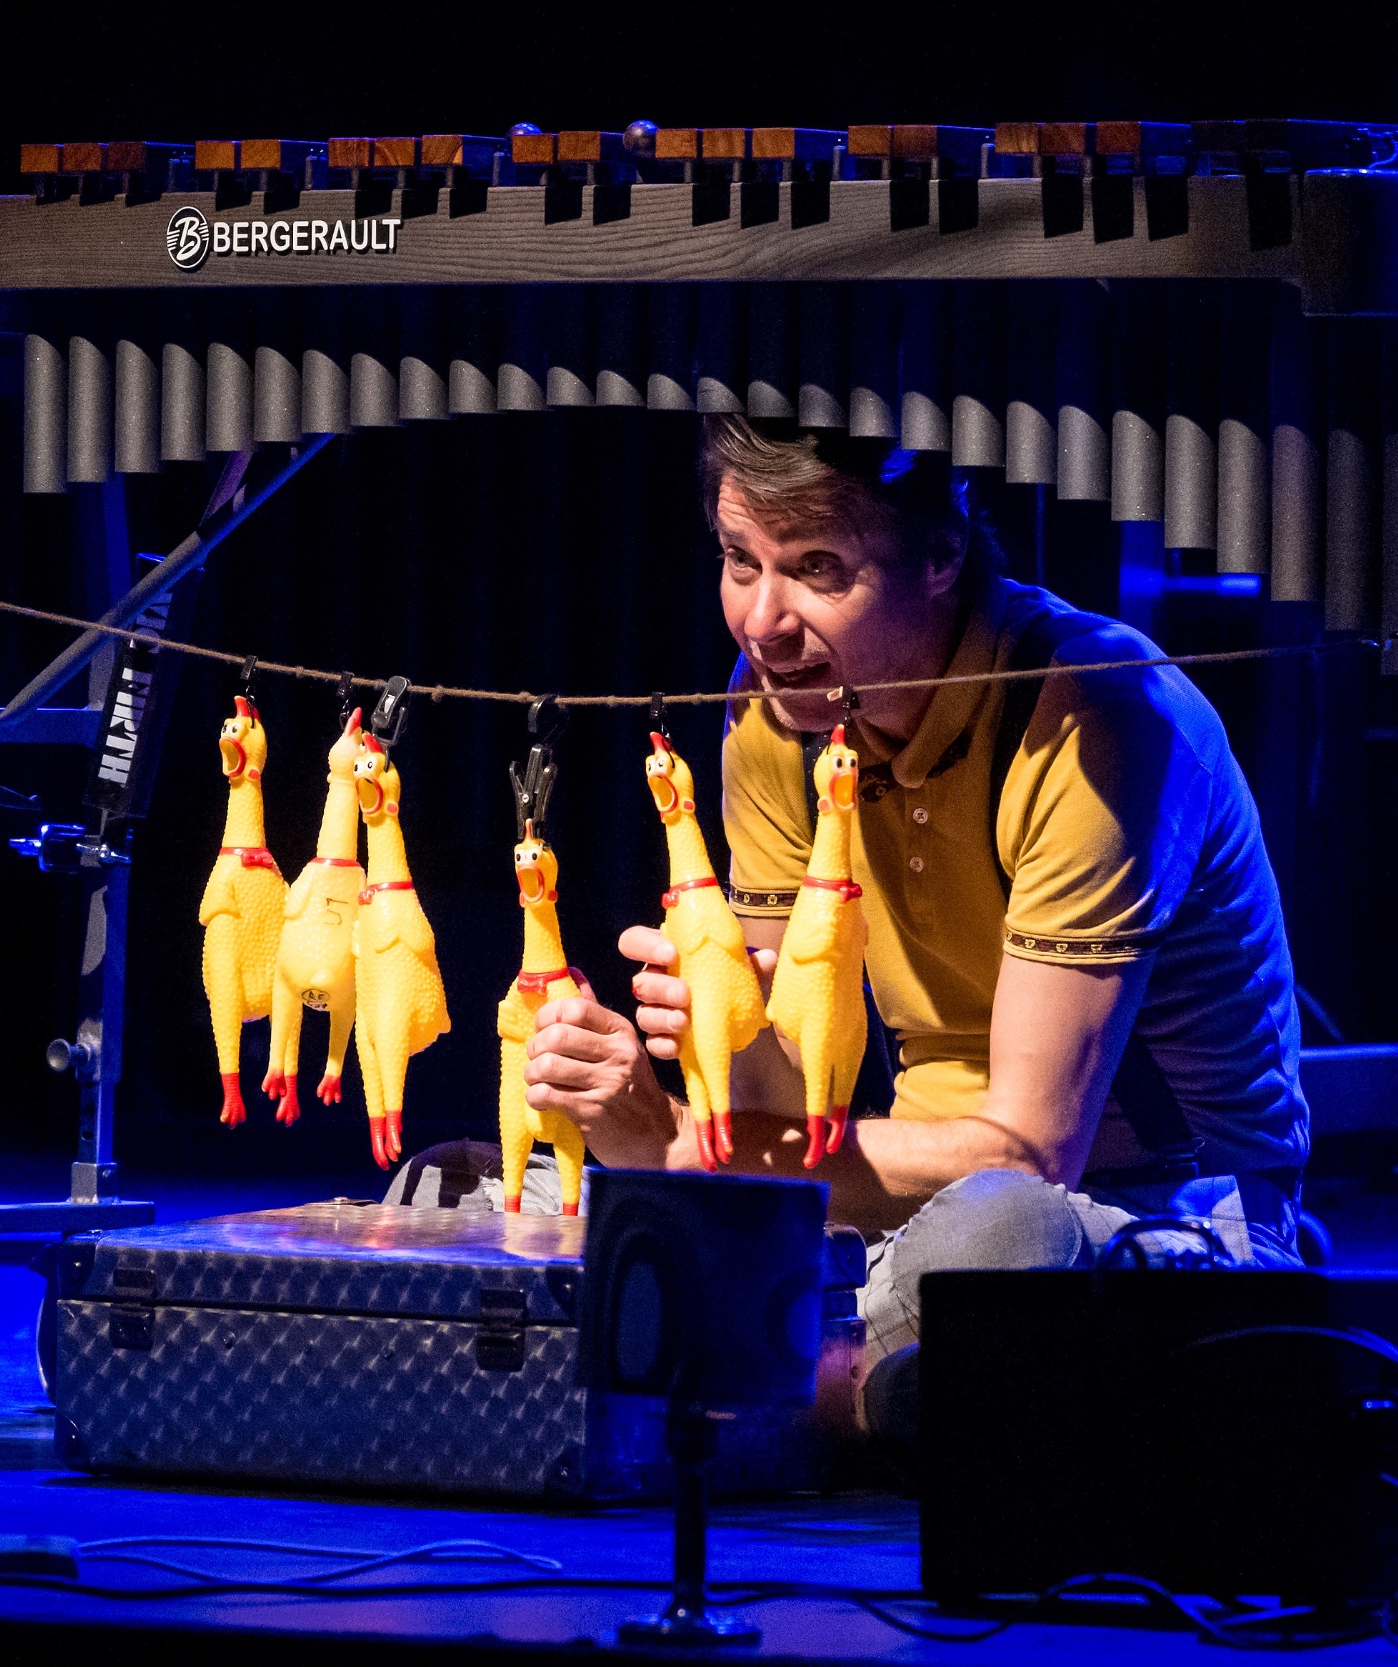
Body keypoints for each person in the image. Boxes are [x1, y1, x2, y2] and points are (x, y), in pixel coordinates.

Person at [521, 416, 1311, 1423]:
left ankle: (779, 1391)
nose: (762, 620)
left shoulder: (1091, 714)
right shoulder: (774, 714)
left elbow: (1029, 1153)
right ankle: (834, 1385)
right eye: (739, 560)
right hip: (893, 1201)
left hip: (1152, 1213)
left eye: (816, 569)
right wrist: (719, 1038)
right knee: (485, 1189)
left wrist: (679, 1146)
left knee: (1000, 1232)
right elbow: (780, 1113)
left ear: (941, 554)